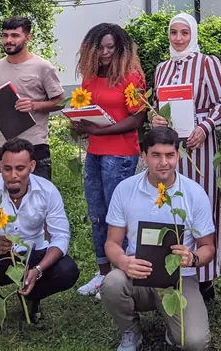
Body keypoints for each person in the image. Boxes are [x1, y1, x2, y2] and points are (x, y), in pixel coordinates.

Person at [100, 127, 216, 351]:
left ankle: (174, 331)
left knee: (195, 343)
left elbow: (208, 248)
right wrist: (124, 262)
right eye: (156, 155)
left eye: (169, 155)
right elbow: (112, 244)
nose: (164, 162)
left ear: (178, 156)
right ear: (143, 156)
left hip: (180, 280)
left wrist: (191, 258)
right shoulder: (125, 190)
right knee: (112, 283)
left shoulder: (193, 193)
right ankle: (130, 332)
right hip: (138, 275)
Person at [0, 138, 80, 332]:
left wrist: (38, 269)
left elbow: (60, 238)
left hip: (33, 254)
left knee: (68, 270)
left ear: (32, 166)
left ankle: (30, 298)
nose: (13, 175)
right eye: (7, 169)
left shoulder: (47, 191)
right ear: (0, 166)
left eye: (20, 169)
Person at [151, 13, 221, 300]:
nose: (179, 39)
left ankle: (205, 279)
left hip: (199, 148)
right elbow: (159, 107)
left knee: (201, 205)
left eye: (184, 32)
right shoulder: (162, 68)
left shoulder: (207, 63)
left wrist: (204, 127)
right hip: (170, 151)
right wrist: (156, 119)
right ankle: (173, 271)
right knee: (170, 206)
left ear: (193, 34)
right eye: (174, 33)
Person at [73, 23, 147, 298]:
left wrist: (101, 129)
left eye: (110, 47)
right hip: (95, 151)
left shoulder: (131, 76)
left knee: (118, 217)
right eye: (99, 47)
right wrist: (79, 124)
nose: (104, 53)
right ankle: (102, 273)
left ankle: (119, 277)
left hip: (120, 153)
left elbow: (138, 118)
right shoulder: (91, 76)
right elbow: (88, 109)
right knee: (97, 214)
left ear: (121, 48)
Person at [0, 16, 65, 180]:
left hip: (34, 144)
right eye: (5, 35)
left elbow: (60, 102)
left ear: (28, 38)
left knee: (39, 197)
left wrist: (34, 105)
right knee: (0, 197)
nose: (8, 40)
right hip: (1, 144)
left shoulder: (43, 67)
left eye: (14, 35)